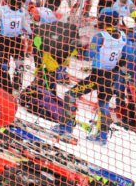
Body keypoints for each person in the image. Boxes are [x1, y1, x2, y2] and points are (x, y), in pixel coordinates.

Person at [54, 8, 126, 144]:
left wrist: (80, 47)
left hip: (97, 76)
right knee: (103, 104)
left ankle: (66, 128)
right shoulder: (123, 35)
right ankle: (102, 136)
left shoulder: (100, 36)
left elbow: (89, 56)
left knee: (70, 95)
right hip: (112, 76)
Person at [0, 0, 33, 90]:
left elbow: (26, 25)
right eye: (15, 2)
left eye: (19, 3)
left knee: (19, 66)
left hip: (17, 41)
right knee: (4, 66)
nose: (17, 5)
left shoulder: (22, 12)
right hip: (4, 40)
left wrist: (31, 34)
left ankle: (16, 86)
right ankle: (2, 85)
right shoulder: (2, 10)